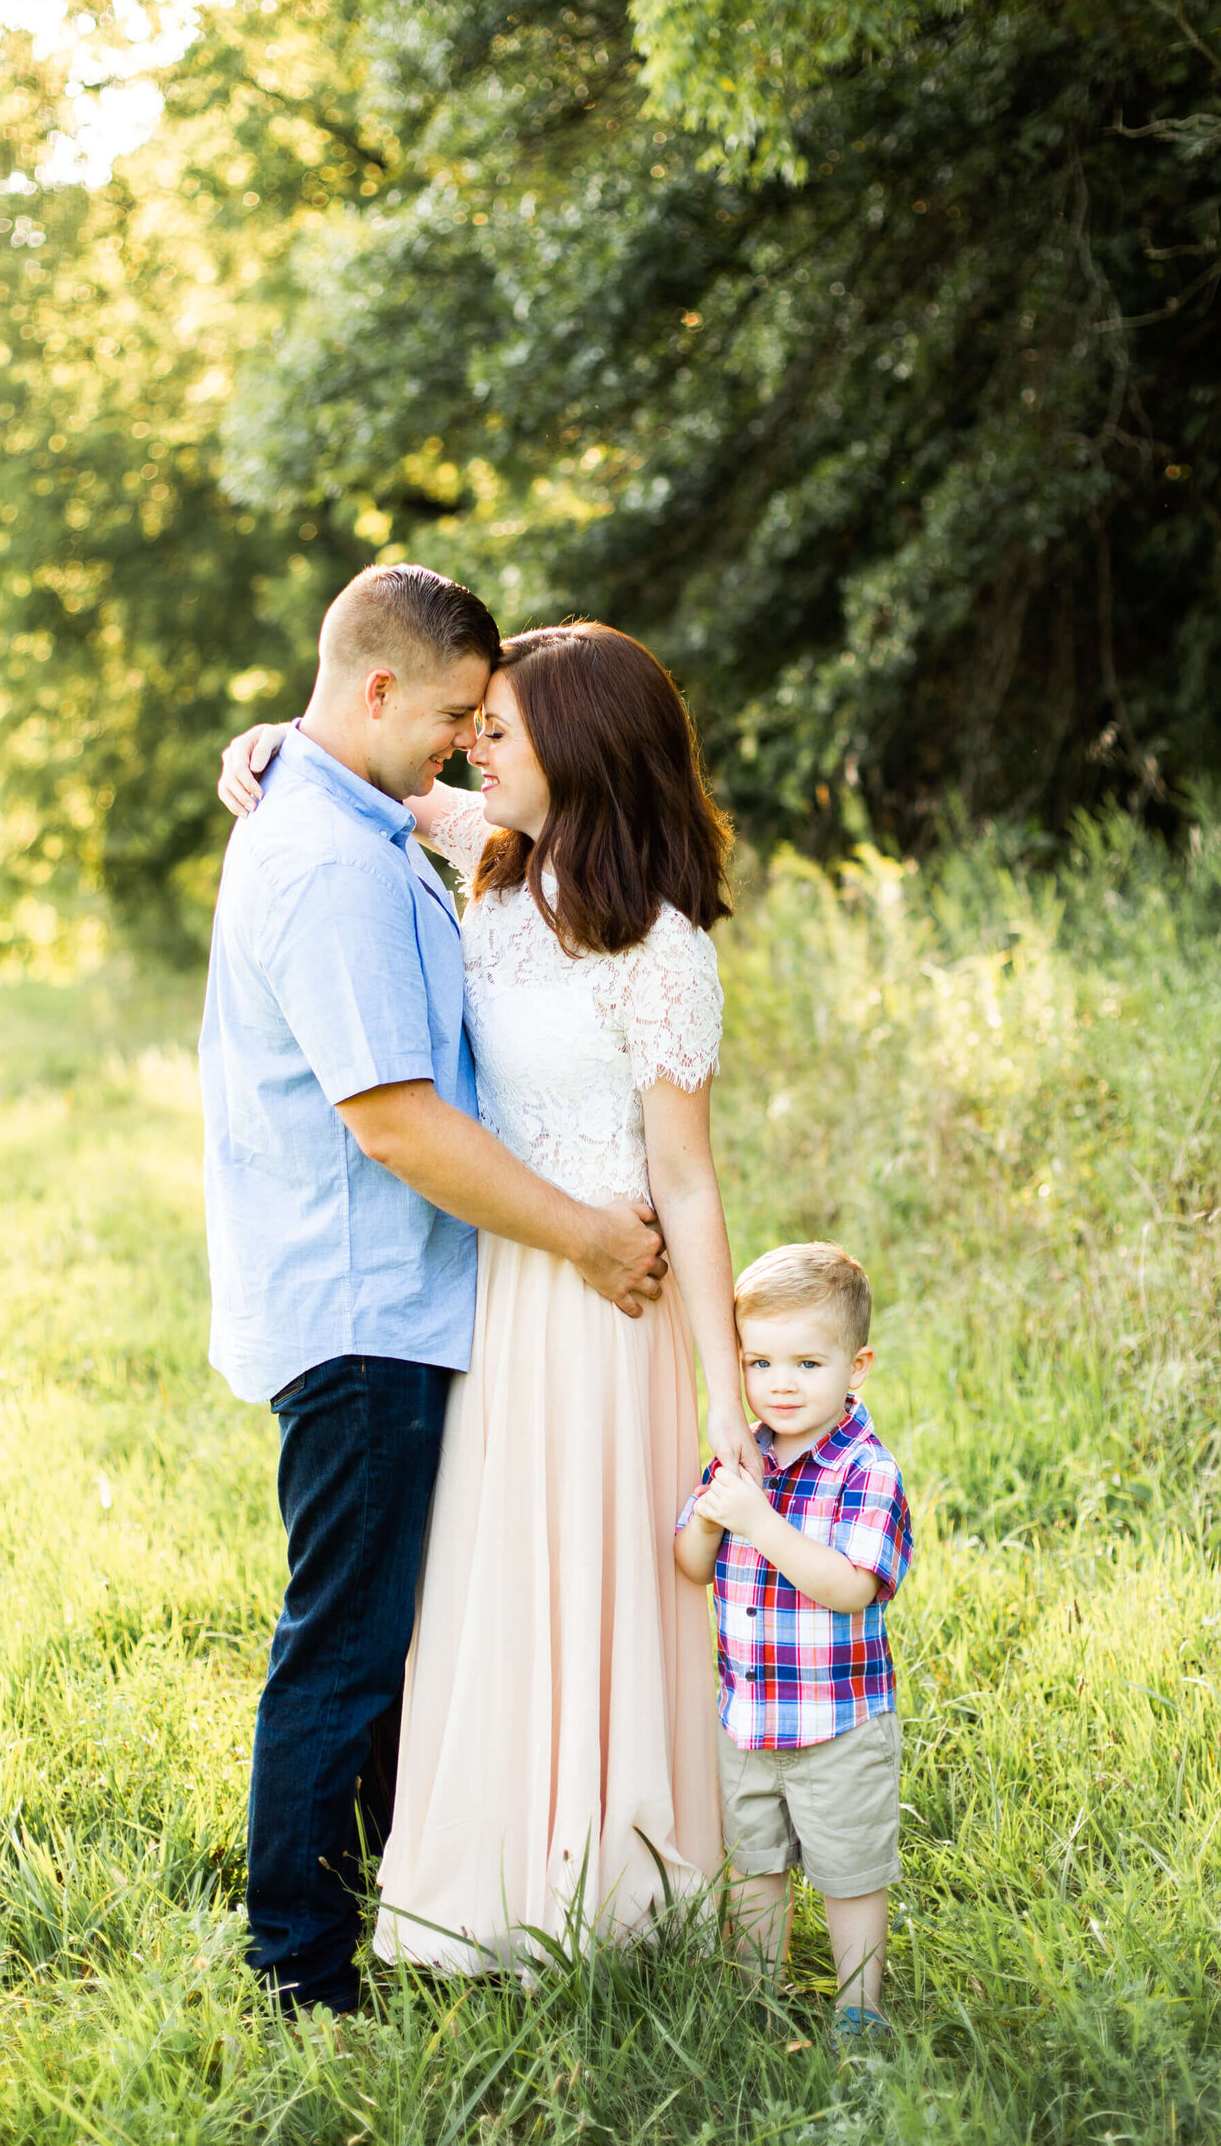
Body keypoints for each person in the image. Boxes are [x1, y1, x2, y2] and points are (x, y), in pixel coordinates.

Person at [220, 619, 762, 1979]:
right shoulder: (498, 859)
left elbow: (689, 1188)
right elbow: (367, 751)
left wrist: (732, 1394)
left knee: (586, 1585)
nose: (473, 746)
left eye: (501, 729)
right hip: (494, 1287)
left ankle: (602, 1886)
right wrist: (269, 742)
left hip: (604, 1307)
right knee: (478, 1593)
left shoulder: (661, 949)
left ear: (573, 751)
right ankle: (472, 1880)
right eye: (473, 725)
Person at [674, 1243, 913, 2045]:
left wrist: (760, 1522)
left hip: (838, 1724)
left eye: (808, 1363)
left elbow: (852, 1587)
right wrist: (713, 1512)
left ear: (857, 1364)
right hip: (747, 1721)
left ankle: (858, 2010)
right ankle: (754, 2000)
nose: (781, 1384)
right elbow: (689, 1562)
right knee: (754, 1867)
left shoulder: (865, 1471)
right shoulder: (739, 1455)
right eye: (760, 1362)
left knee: (850, 1872)